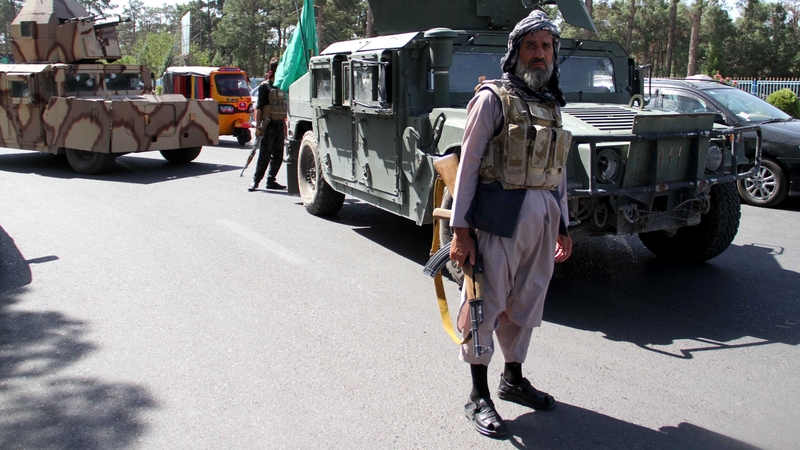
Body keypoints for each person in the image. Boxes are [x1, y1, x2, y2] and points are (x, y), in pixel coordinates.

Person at [448, 9, 574, 439]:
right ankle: (477, 394)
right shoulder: (493, 99)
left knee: (526, 303)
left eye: (546, 46)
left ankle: (513, 379)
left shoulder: (552, 104)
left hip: (542, 219)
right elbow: (467, 168)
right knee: (485, 303)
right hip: (497, 218)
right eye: (531, 46)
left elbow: (558, 170)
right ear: (516, 52)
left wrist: (564, 226)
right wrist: (461, 230)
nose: (540, 54)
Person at [249, 58, 287, 191]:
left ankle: (271, 180)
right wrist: (258, 126)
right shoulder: (265, 87)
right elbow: (259, 107)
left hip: (278, 125)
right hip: (268, 124)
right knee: (264, 155)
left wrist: (284, 127)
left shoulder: (280, 86)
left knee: (278, 155)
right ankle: (256, 181)